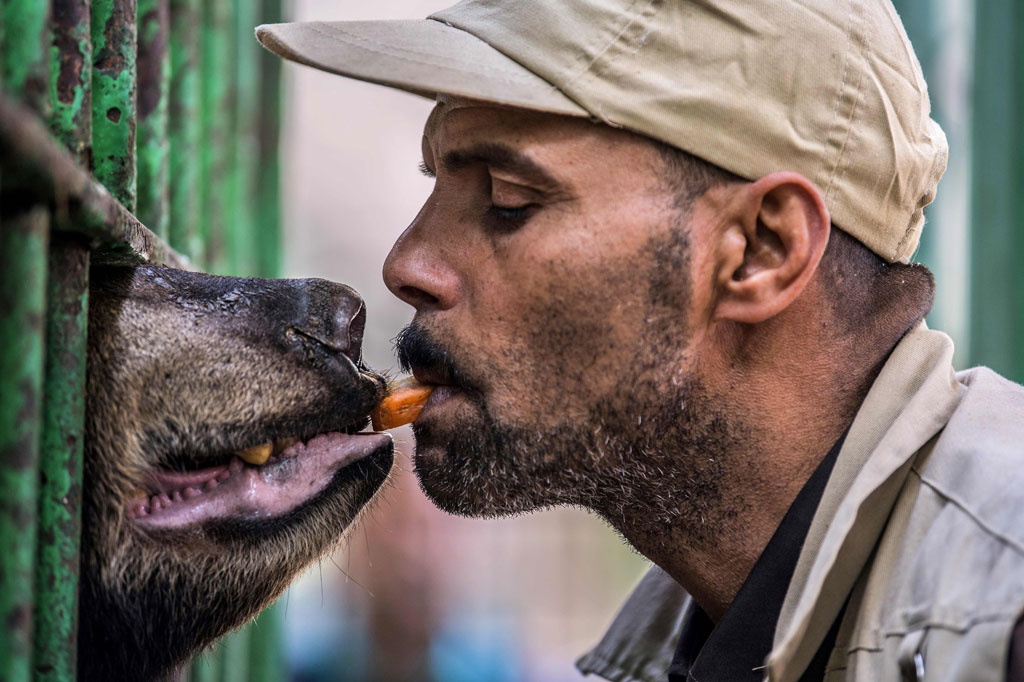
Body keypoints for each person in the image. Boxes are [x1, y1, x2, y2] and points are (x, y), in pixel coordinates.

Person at [257, 1, 1024, 680]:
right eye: (434, 185)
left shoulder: (1001, 611)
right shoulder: (710, 625)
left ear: (761, 251)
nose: (406, 265)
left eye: (508, 201)